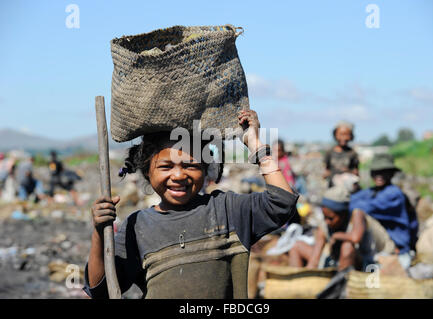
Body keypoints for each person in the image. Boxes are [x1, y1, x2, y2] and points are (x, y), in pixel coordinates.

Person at [83, 109, 299, 299]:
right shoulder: (138, 226)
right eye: (166, 166)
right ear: (148, 172)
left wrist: (255, 144)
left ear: (206, 170)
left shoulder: (227, 209)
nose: (178, 175)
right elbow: (101, 290)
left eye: (190, 165)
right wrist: (98, 233)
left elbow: (283, 202)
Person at [288, 186, 395, 271]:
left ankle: (340, 286)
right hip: (337, 261)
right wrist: (309, 272)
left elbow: (355, 238)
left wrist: (336, 236)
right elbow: (315, 259)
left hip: (369, 261)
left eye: (331, 218)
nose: (327, 222)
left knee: (347, 246)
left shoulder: (357, 214)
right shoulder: (325, 224)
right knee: (297, 246)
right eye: (325, 217)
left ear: (343, 214)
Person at [349, 153, 419, 269]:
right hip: (378, 244)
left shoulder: (393, 193)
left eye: (383, 172)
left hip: (395, 247)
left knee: (358, 214)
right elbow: (349, 201)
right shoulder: (371, 191)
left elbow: (364, 208)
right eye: (376, 172)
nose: (379, 176)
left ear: (391, 174)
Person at [323, 121, 359, 187]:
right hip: (333, 188)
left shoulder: (352, 153)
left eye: (346, 134)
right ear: (335, 135)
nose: (344, 138)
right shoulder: (329, 153)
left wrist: (347, 171)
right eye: (341, 134)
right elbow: (325, 171)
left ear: (351, 136)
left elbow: (356, 172)